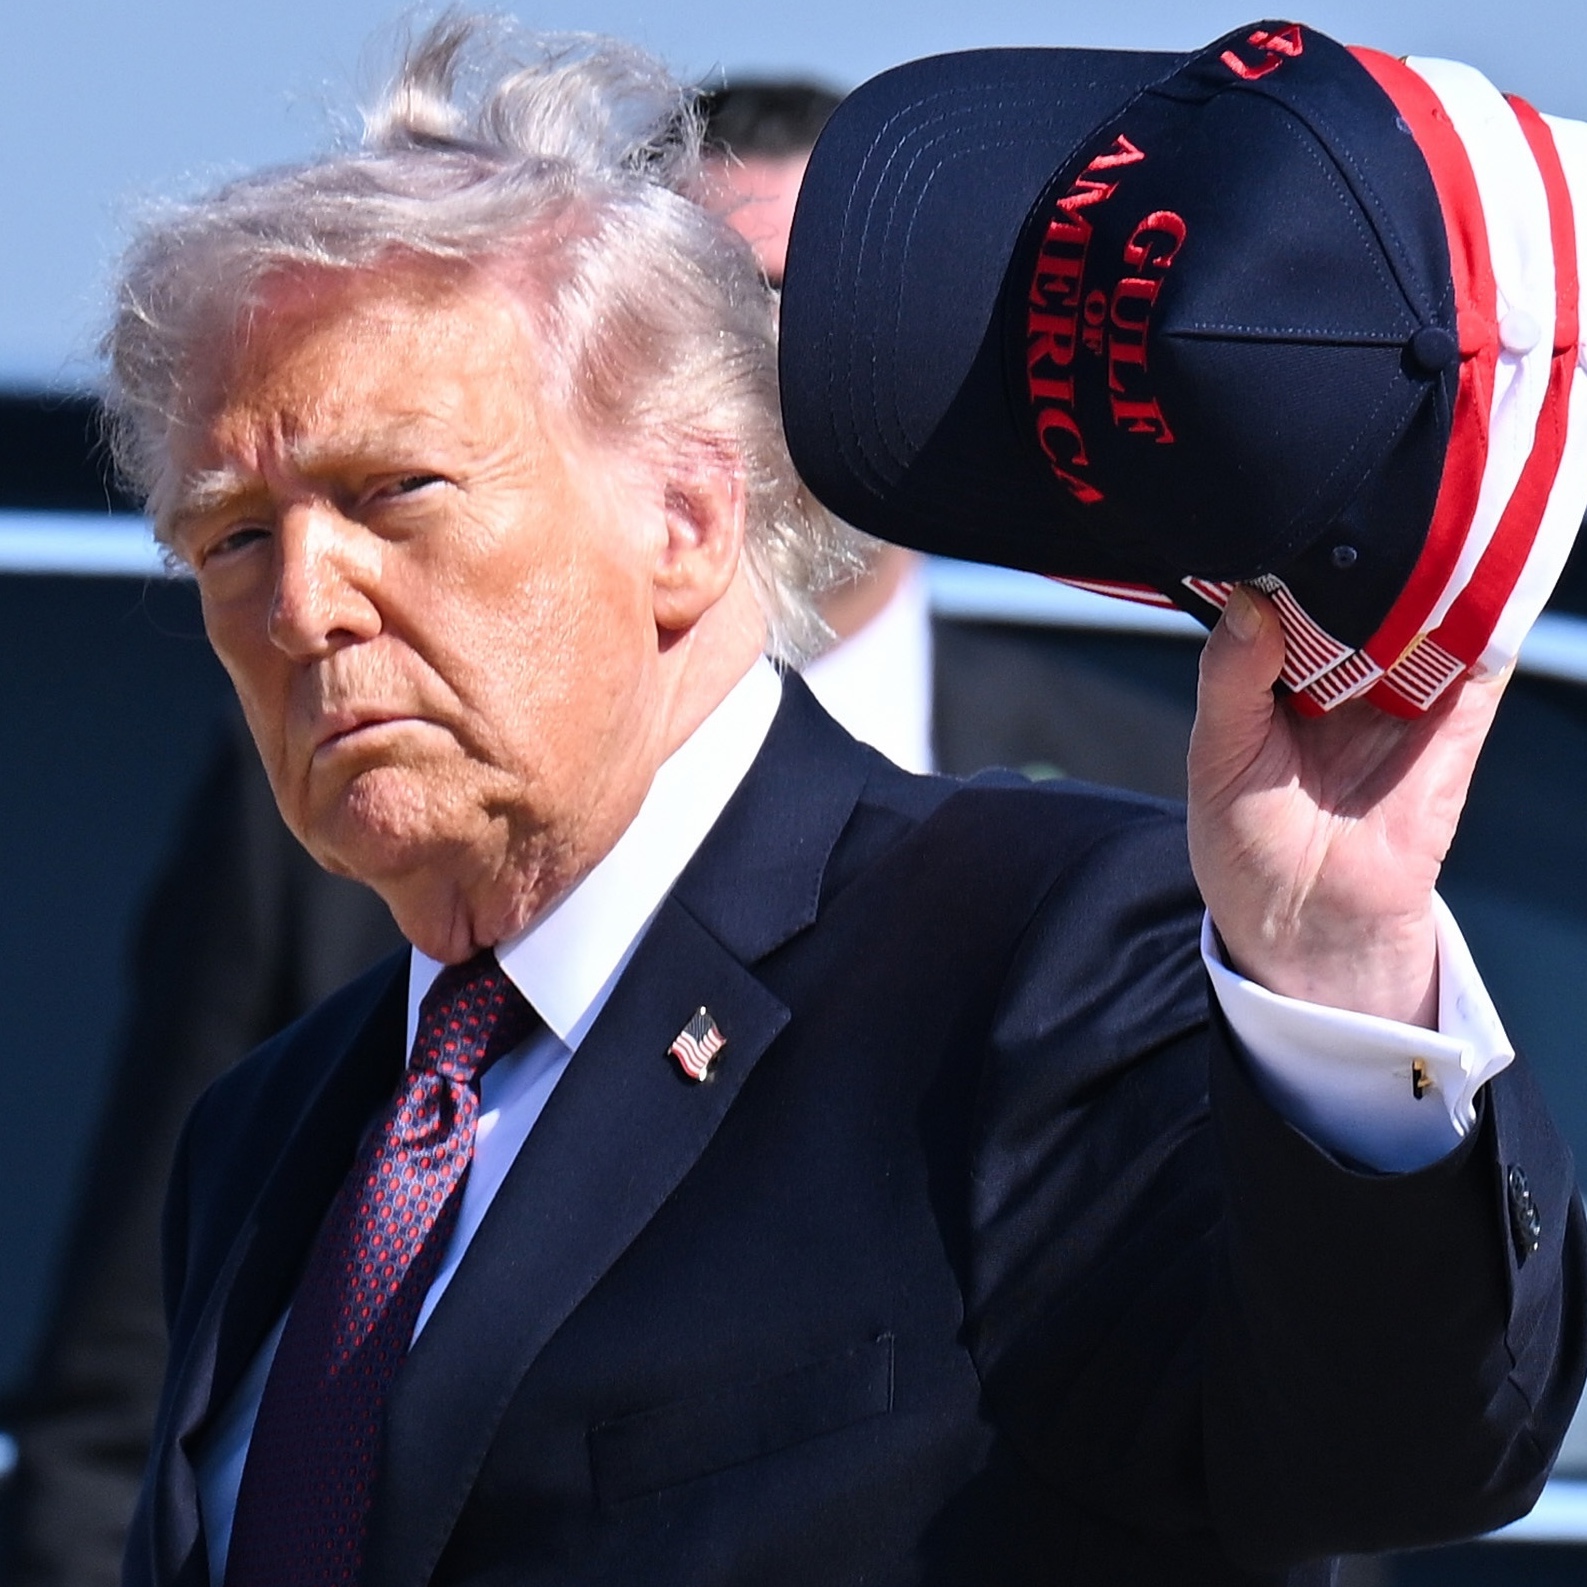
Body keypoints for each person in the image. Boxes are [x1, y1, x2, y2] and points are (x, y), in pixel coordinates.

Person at [89, 17, 1585, 1587]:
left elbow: (1406, 1443)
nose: (304, 600)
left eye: (394, 492)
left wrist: (1337, 968)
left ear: (683, 514)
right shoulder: (277, 1127)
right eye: (233, 536)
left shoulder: (1038, 962)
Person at [700, 79, 1192, 785]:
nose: (780, 346)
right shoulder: (508, 780)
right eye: (720, 294)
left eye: (832, 291)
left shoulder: (1152, 791)